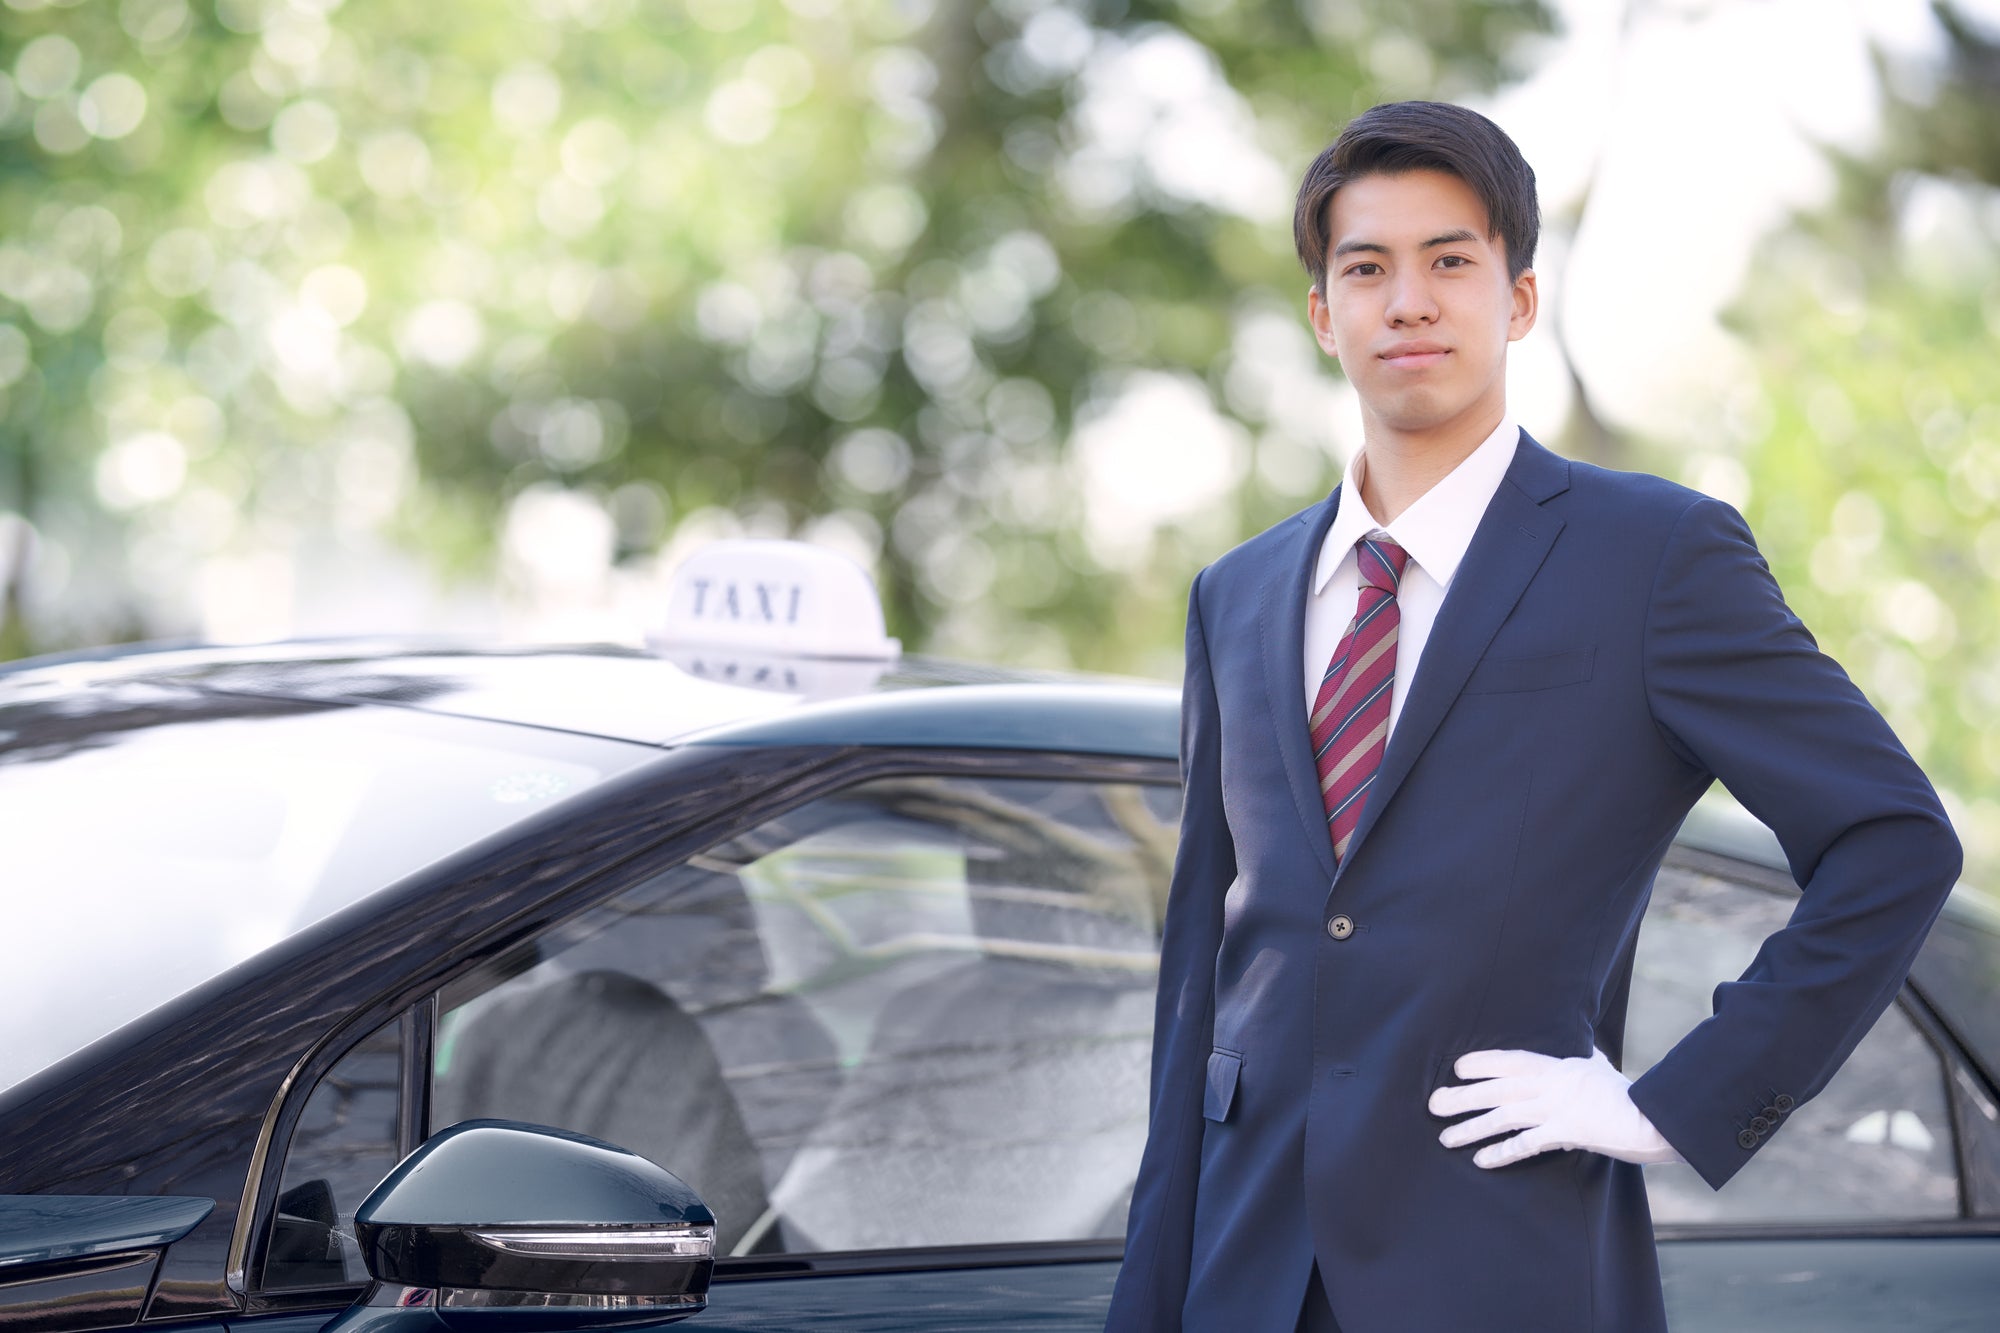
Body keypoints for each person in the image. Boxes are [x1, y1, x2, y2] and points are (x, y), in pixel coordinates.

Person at [1104, 100, 1963, 1333]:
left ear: (1515, 300)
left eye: (1448, 261)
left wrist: (1670, 1105)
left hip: (1502, 1265)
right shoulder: (1232, 596)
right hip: (1241, 1274)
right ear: (1321, 315)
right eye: (1366, 269)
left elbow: (1891, 837)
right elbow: (1201, 978)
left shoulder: (1653, 557)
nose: (1407, 302)